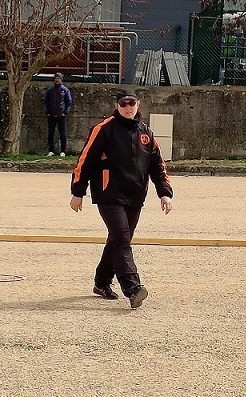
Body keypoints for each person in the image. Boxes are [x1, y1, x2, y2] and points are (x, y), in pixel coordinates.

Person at [69, 90, 173, 309]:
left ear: (138, 104)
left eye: (131, 103)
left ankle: (101, 283)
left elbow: (157, 165)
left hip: (135, 195)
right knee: (122, 240)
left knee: (117, 240)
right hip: (109, 193)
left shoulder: (146, 133)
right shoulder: (104, 128)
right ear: (117, 106)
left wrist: (165, 193)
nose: (128, 108)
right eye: (123, 104)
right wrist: (78, 192)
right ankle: (133, 289)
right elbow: (85, 160)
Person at [43, 73, 72, 156]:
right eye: (55, 78)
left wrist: (65, 112)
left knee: (62, 134)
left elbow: (69, 102)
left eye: (58, 78)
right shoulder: (50, 90)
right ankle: (51, 150)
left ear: (61, 79)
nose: (57, 80)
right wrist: (47, 112)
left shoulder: (65, 90)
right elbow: (45, 101)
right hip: (51, 115)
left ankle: (63, 151)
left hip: (61, 116)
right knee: (50, 133)